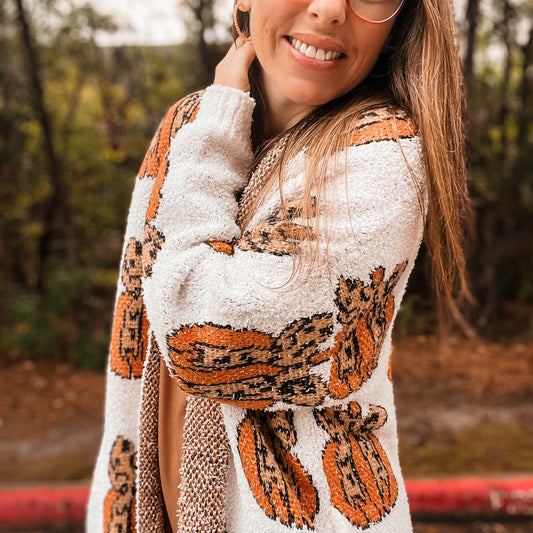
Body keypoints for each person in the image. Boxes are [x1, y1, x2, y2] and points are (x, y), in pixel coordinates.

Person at [87, 0, 471, 531]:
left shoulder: (386, 156)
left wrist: (216, 136)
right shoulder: (187, 124)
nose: (331, 10)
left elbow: (200, 341)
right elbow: (132, 356)